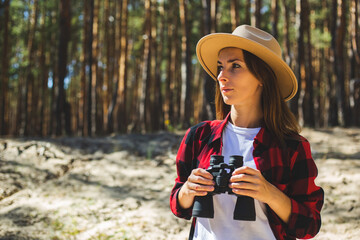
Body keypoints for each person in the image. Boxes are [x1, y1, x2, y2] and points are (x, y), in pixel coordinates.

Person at [170, 25, 324, 240]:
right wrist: (189, 189)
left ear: (262, 77)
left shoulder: (291, 146)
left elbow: (309, 225)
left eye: (235, 66)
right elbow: (178, 206)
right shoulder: (200, 136)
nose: (222, 76)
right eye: (220, 67)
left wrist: (269, 193)